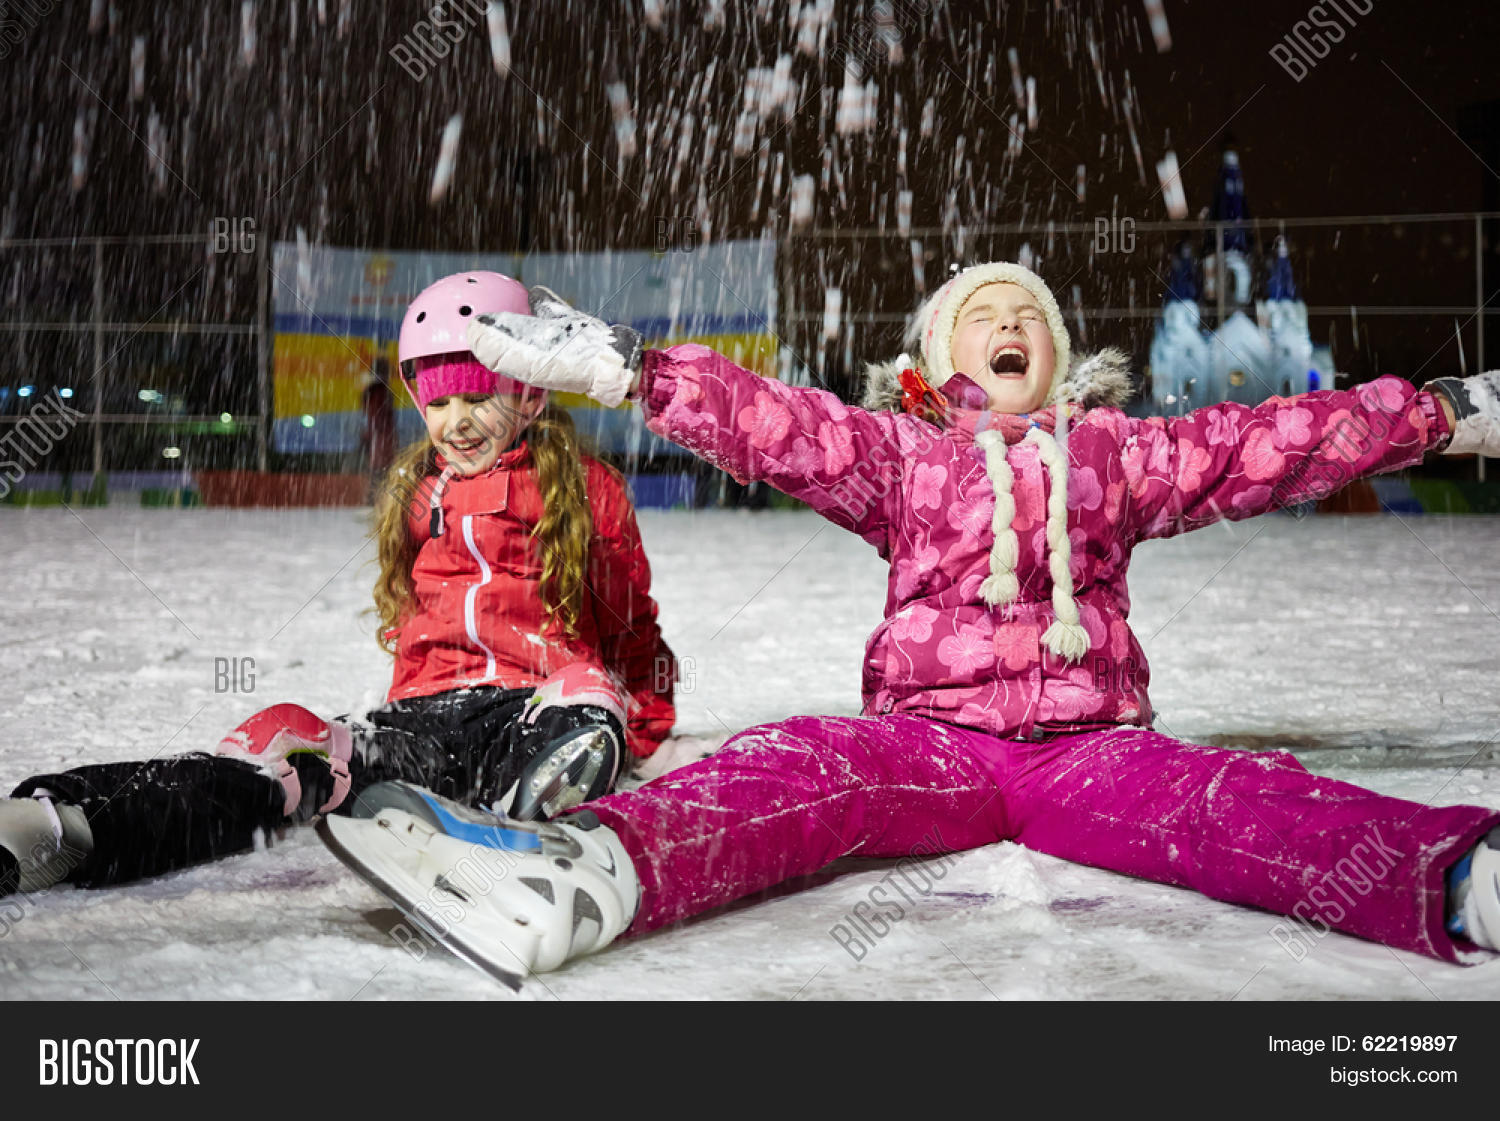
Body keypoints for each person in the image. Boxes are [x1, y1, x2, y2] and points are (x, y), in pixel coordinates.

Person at [316, 262, 1500, 983]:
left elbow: (1273, 443)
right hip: (925, 742)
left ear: (1054, 354)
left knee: (1232, 801)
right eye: (981, 314)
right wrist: (637, 371)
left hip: (1094, 750)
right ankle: (580, 875)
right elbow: (776, 423)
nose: (1008, 325)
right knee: (792, 768)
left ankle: (1460, 873)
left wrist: (1439, 413)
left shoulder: (1115, 456)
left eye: (1025, 315)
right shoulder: (899, 457)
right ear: (937, 361)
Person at [0, 271, 675, 898]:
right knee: (286, 740)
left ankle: (531, 830)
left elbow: (628, 622)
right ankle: (73, 826)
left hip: (538, 711)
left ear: (528, 393)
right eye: (439, 402)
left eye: (478, 396)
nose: (457, 421)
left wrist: (645, 729)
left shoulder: (588, 491)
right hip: (427, 722)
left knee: (589, 699)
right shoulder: (417, 492)